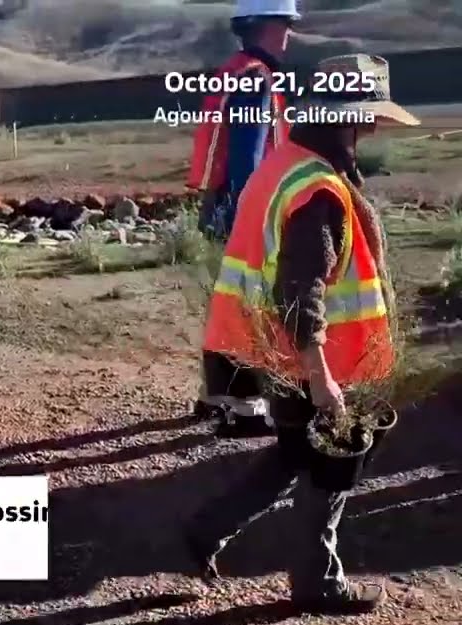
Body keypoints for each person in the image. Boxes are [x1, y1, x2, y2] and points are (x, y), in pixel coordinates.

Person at [184, 54, 419, 614]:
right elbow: (299, 294)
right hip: (322, 363)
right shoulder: (320, 193)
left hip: (276, 354)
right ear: (347, 119)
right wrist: (323, 380)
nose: (369, 130)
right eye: (366, 119)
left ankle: (206, 528)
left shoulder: (284, 162)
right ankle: (318, 583)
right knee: (336, 461)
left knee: (294, 452)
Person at [186, 0, 299, 437]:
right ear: (265, 27)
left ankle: (214, 398)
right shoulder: (256, 78)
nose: (288, 35)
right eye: (285, 25)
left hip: (220, 204)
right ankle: (246, 410)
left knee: (226, 304)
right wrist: (251, 217)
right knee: (250, 307)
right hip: (240, 206)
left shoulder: (233, 68)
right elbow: (247, 157)